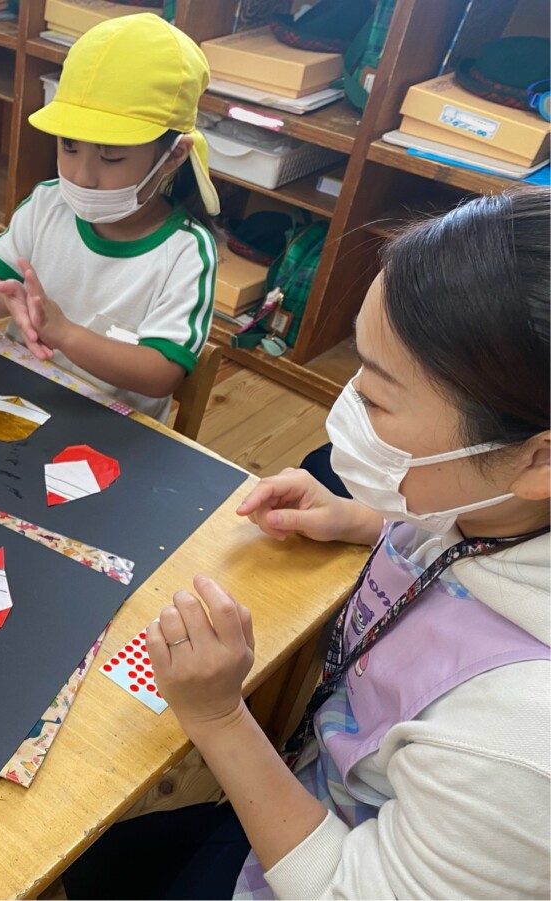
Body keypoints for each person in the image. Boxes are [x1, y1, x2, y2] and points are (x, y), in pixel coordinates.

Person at [64, 187, 550, 898]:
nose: (346, 404)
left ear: (538, 459)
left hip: (317, 865)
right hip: (303, 793)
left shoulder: (518, 744)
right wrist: (366, 521)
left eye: (377, 396)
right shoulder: (493, 504)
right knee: (106, 862)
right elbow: (475, 560)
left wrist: (218, 717)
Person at [0, 13, 220, 422]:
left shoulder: (185, 252)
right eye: (69, 147)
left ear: (173, 155)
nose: (82, 176)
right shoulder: (47, 204)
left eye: (111, 157)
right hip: (16, 395)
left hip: (110, 426)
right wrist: (7, 296)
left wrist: (65, 334)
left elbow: (161, 374)